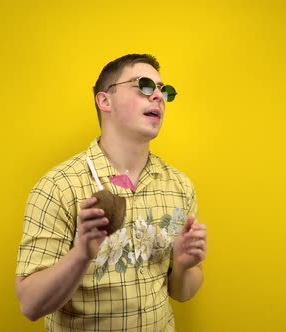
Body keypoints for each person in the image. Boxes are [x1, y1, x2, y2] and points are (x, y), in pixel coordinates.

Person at [15, 53, 207, 331]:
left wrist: (183, 265)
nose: (158, 97)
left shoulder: (179, 186)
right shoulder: (59, 186)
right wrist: (81, 254)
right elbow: (30, 305)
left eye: (163, 90)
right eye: (143, 85)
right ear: (105, 100)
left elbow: (182, 292)